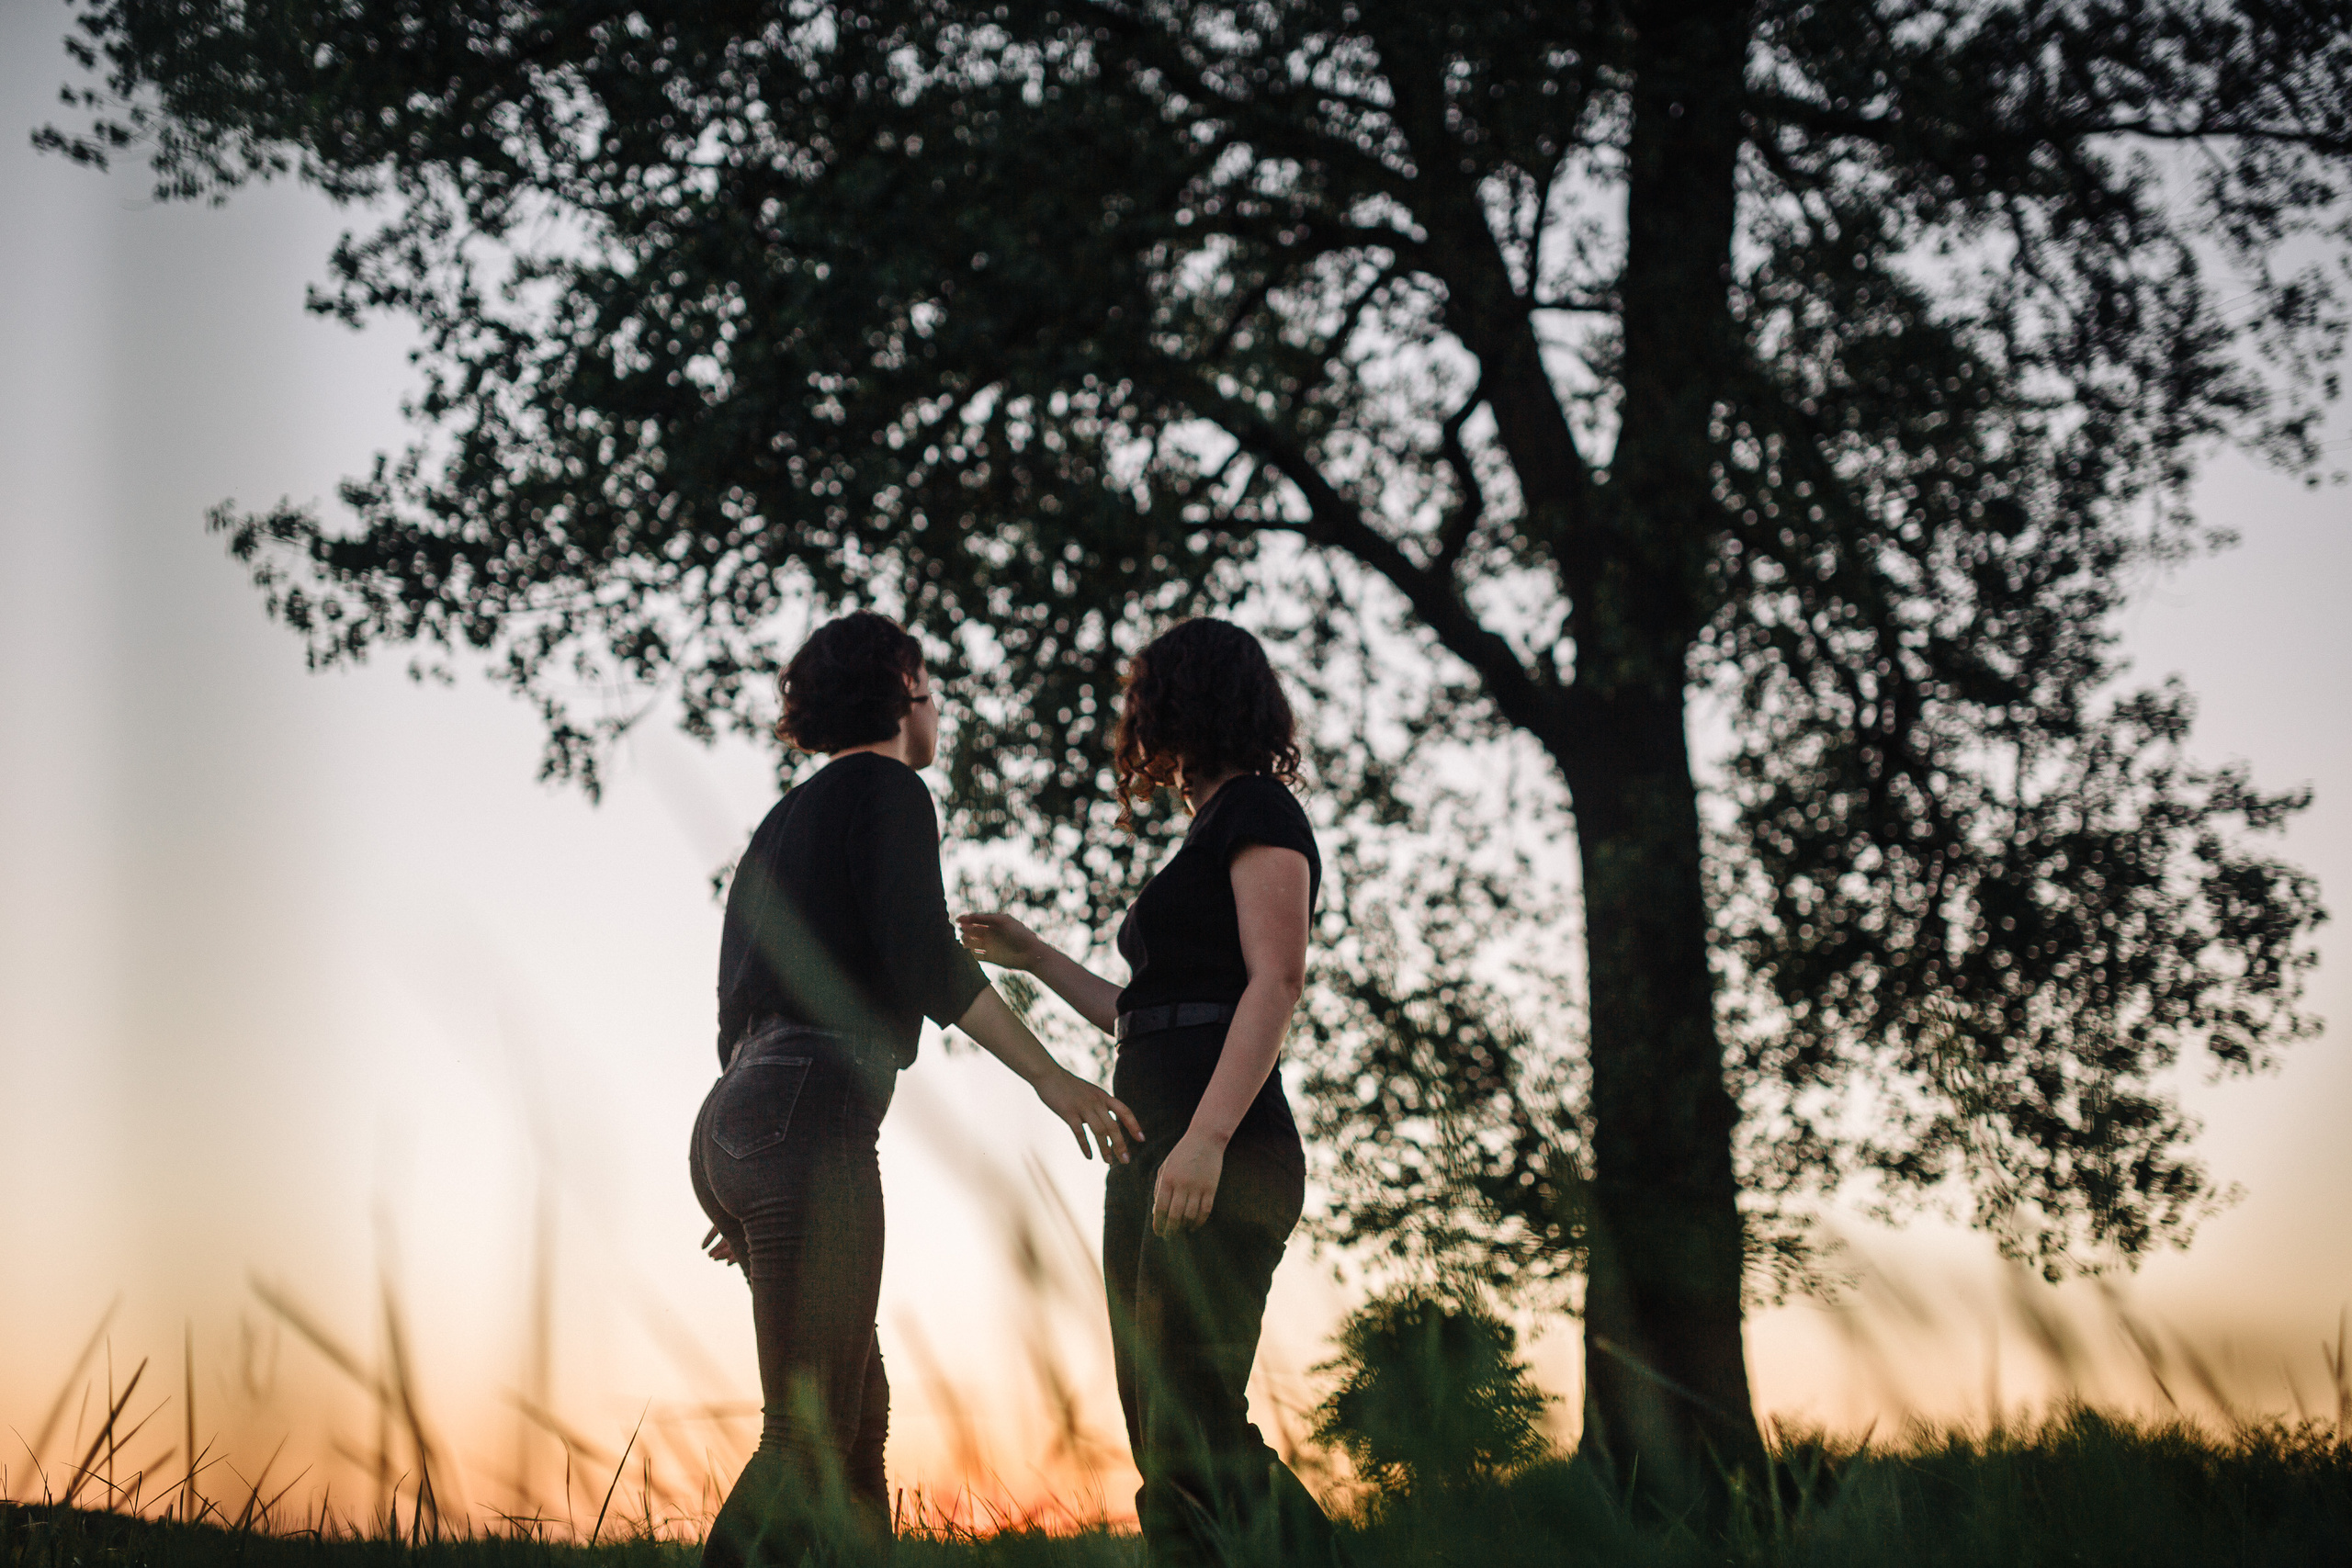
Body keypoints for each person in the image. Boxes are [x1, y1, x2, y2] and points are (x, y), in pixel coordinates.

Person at [692, 610, 1141, 1568]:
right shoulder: (890, 789)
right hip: (807, 1116)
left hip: (737, 1120)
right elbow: (921, 958)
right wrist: (1054, 1078)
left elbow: (735, 1003)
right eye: (931, 687)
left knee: (854, 1421)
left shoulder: (782, 822)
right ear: (903, 692)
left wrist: (745, 1178)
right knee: (807, 1433)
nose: (937, 707)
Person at [958, 617, 1341, 1567]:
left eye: (1143, 699)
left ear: (1181, 702)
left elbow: (1277, 979)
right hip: (1152, 1149)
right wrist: (1035, 956)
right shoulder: (1209, 831)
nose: (1134, 722)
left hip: (1221, 1148)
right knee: (1158, 1432)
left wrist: (1207, 1139)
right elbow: (1146, 1014)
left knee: (1195, 1427)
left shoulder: (1258, 810)